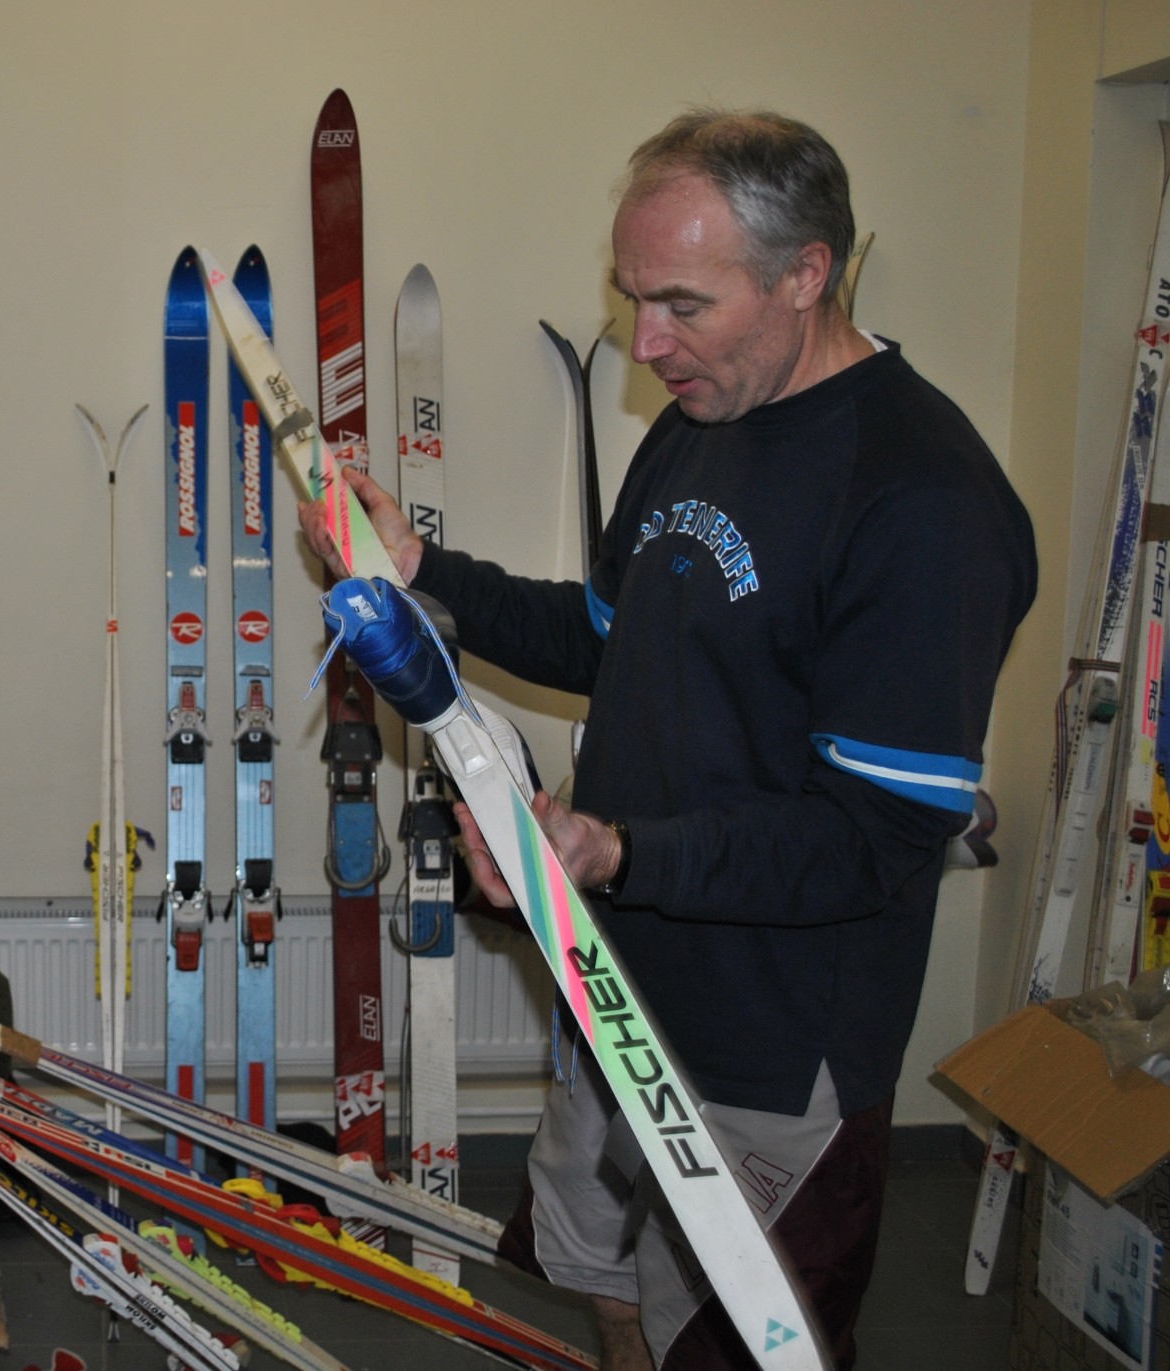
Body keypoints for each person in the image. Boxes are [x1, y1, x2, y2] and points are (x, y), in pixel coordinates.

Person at [301, 109, 1036, 1370]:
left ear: (804, 275)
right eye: (629, 297)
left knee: (736, 1348)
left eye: (682, 304)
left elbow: (870, 841)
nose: (644, 346)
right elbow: (607, 642)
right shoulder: (695, 424)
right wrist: (422, 568)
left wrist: (616, 852)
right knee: (605, 1280)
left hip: (767, 1043)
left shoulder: (922, 499)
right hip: (614, 983)